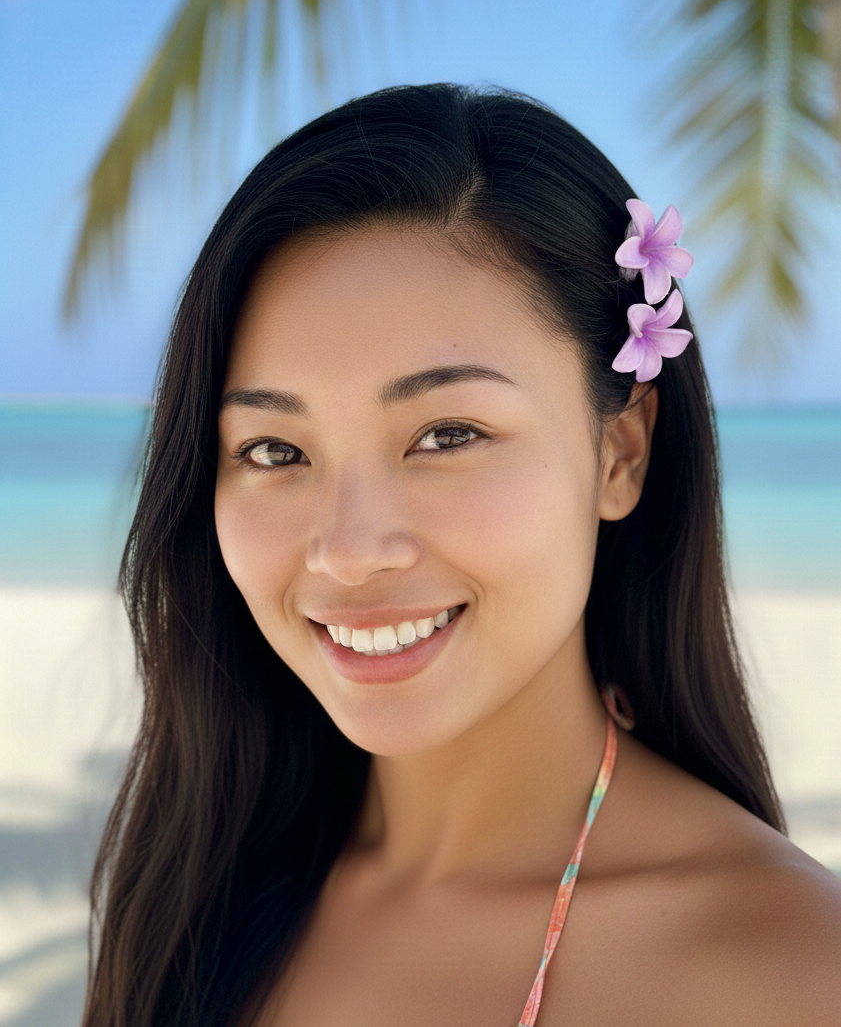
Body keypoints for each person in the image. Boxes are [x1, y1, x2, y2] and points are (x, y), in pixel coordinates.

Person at [82, 84, 841, 1027]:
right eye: (275, 451)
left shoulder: (790, 971)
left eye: (447, 434)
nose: (351, 552)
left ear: (621, 452)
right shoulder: (192, 894)